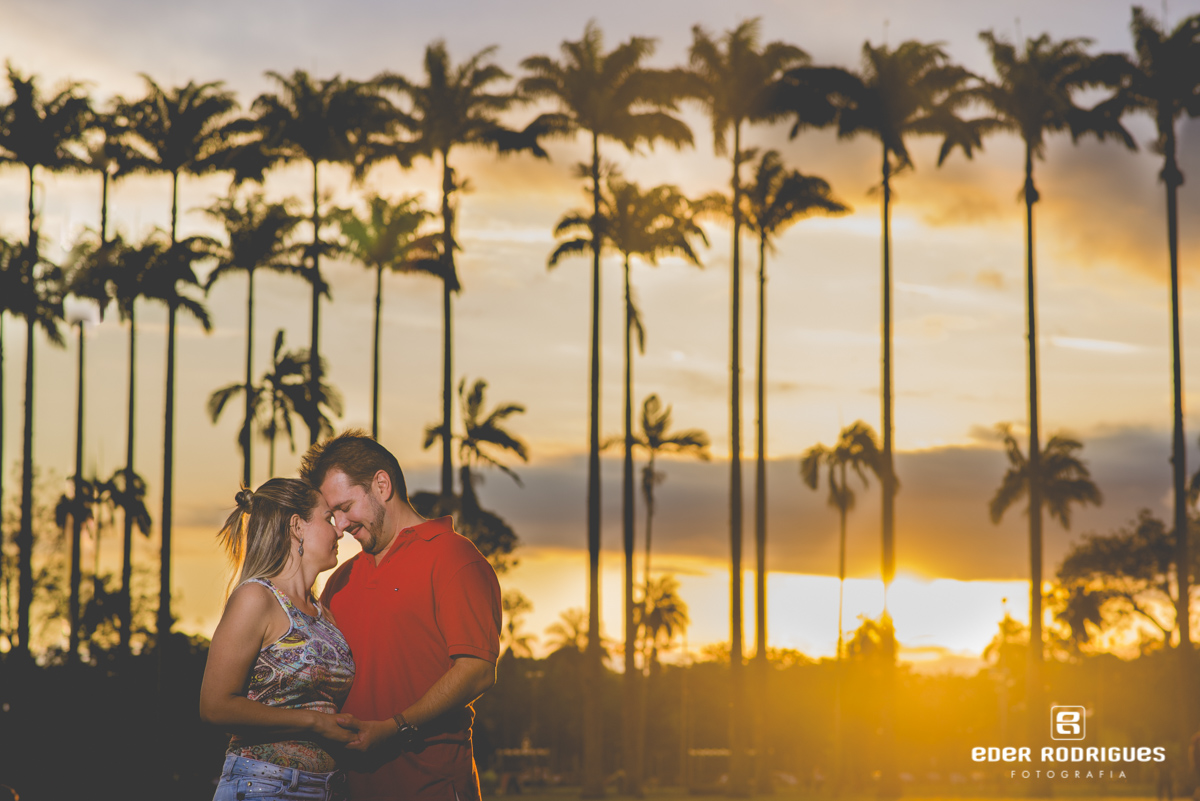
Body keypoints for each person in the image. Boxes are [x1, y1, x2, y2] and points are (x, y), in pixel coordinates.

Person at [300, 430, 502, 801]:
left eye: (345, 507)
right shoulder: (340, 580)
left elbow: (477, 670)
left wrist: (395, 728)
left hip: (431, 787)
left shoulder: (455, 558)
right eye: (332, 514)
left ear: (382, 485)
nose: (340, 526)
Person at [199, 479, 359, 801]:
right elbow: (215, 707)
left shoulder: (325, 615)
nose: (339, 531)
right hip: (264, 787)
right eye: (328, 518)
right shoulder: (256, 598)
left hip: (329, 789)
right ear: (297, 526)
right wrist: (314, 722)